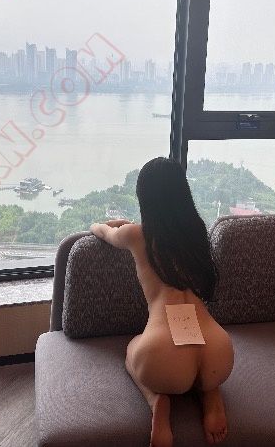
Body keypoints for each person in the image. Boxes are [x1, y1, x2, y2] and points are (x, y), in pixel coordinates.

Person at [90, 157, 234, 447]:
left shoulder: (136, 235)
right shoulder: (196, 234)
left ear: (145, 198)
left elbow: (103, 231)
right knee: (204, 371)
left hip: (162, 357)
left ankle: (157, 401)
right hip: (219, 351)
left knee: (131, 351)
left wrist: (102, 224)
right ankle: (211, 393)